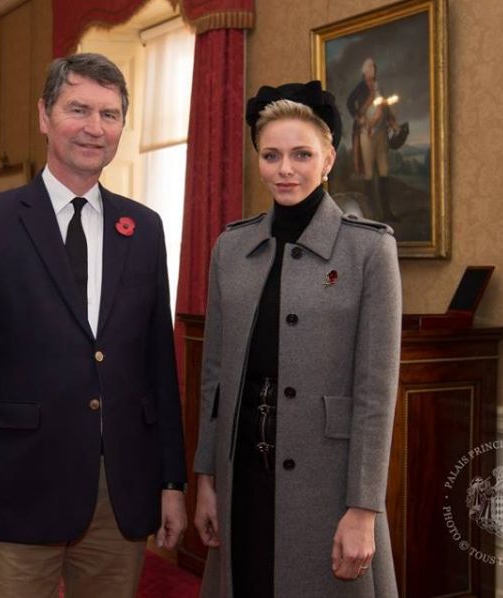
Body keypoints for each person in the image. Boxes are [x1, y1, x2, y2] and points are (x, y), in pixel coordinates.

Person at [0, 53, 187, 597]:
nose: (95, 128)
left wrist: (170, 482)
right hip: (19, 488)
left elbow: (158, 366)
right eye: (79, 109)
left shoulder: (143, 228)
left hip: (119, 493)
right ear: (44, 115)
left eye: (110, 114)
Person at [193, 81, 401, 597]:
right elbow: (214, 377)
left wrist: (363, 509)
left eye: (301, 154)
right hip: (242, 478)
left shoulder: (369, 251)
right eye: (271, 155)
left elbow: (376, 395)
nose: (285, 169)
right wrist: (206, 479)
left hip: (329, 487)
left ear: (328, 158)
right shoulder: (231, 247)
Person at [347, 58, 400, 220]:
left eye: (374, 66)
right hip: (365, 133)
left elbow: (385, 105)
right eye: (370, 67)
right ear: (365, 71)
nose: (373, 69)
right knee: (369, 172)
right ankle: (370, 214)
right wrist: (358, 118)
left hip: (381, 133)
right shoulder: (361, 87)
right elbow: (350, 103)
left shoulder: (379, 86)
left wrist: (391, 121)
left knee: (384, 170)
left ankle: (386, 212)